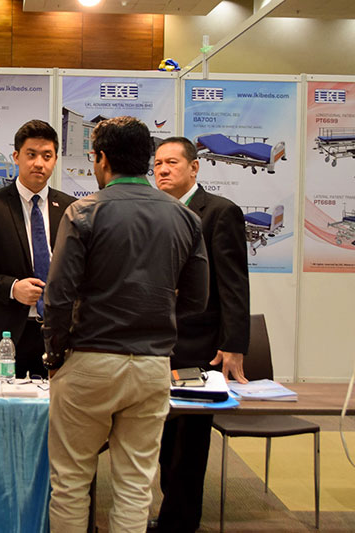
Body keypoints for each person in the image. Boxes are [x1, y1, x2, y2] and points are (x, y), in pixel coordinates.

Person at [42, 116, 210, 532]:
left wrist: (54, 355)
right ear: (146, 160)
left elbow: (58, 296)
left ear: (101, 159)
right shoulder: (185, 217)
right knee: (136, 485)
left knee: (71, 482)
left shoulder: (83, 212)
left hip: (89, 362)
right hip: (152, 365)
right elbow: (197, 299)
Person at [150, 137, 250, 533]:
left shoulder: (220, 212)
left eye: (172, 162)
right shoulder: (155, 210)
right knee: (163, 441)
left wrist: (234, 344)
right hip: (157, 344)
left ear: (194, 168)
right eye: (157, 163)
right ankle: (171, 514)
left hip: (199, 347)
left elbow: (234, 284)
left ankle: (180, 523)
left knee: (188, 446)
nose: (162, 170)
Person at [0, 119, 75, 378]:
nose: (39, 163)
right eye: (31, 154)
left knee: (54, 405)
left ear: (55, 160)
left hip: (57, 336)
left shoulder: (70, 208)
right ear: (16, 157)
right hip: (3, 336)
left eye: (47, 156)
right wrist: (12, 288)